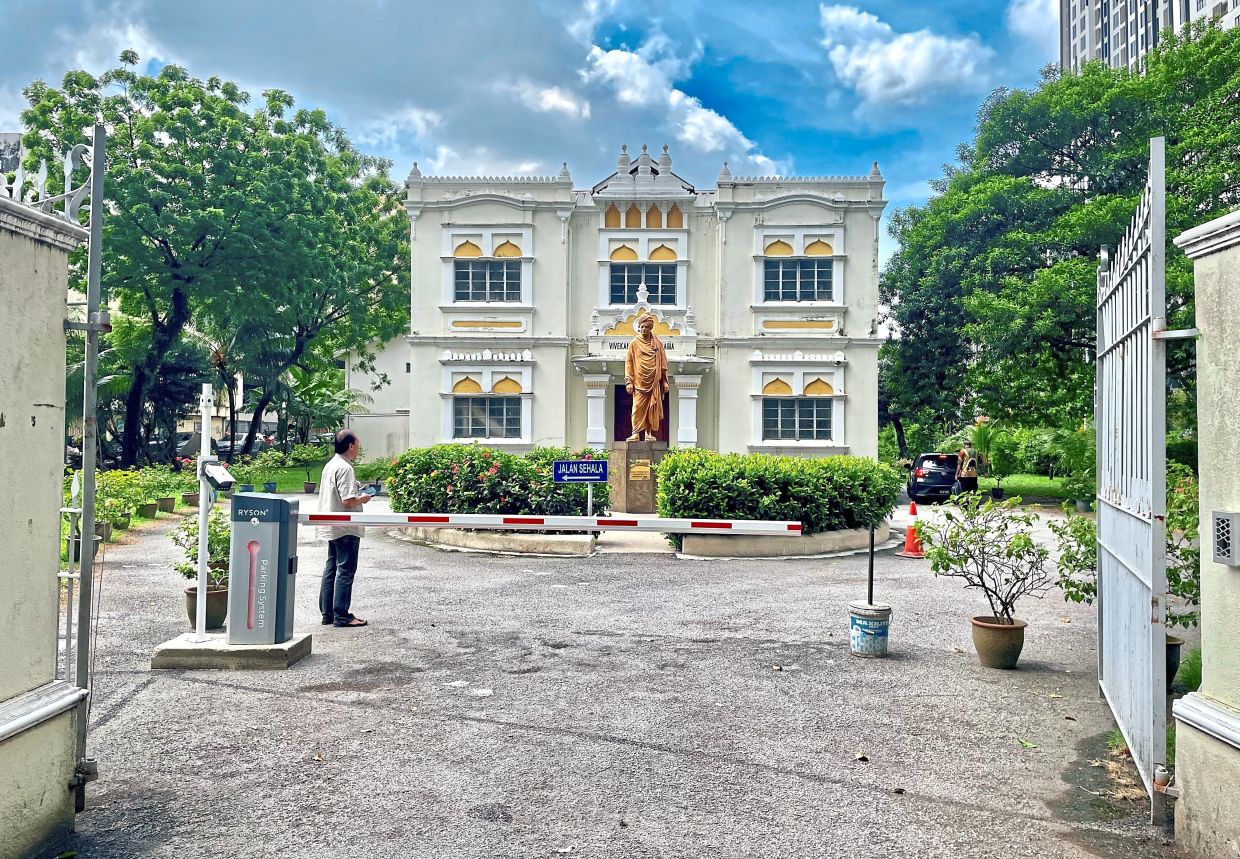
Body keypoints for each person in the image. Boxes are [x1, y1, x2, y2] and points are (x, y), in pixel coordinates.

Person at [318, 429, 372, 628]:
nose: (358, 448)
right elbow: (348, 501)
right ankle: (342, 615)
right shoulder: (346, 468)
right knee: (346, 570)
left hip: (332, 524)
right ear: (350, 446)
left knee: (331, 568)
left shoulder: (331, 465)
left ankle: (328, 613)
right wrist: (364, 498)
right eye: (357, 444)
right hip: (346, 527)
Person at [623, 313, 669, 441]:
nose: (643, 329)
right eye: (641, 327)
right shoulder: (634, 343)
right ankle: (636, 433)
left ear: (650, 328)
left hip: (654, 382)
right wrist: (629, 381)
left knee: (651, 408)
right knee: (637, 408)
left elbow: (663, 362)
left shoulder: (657, 343)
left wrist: (664, 381)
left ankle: (648, 433)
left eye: (646, 327)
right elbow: (629, 363)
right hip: (639, 382)